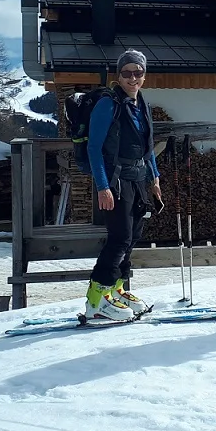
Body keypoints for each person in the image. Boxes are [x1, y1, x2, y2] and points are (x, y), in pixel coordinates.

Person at [84, 49, 162, 320]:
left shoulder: (142, 104)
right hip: (115, 181)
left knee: (133, 236)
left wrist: (155, 178)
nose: (133, 78)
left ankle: (116, 290)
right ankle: (96, 299)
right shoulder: (108, 104)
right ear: (118, 75)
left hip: (138, 178)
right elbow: (94, 148)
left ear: (144, 75)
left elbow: (147, 147)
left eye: (138, 72)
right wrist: (102, 186)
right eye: (127, 73)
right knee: (120, 238)